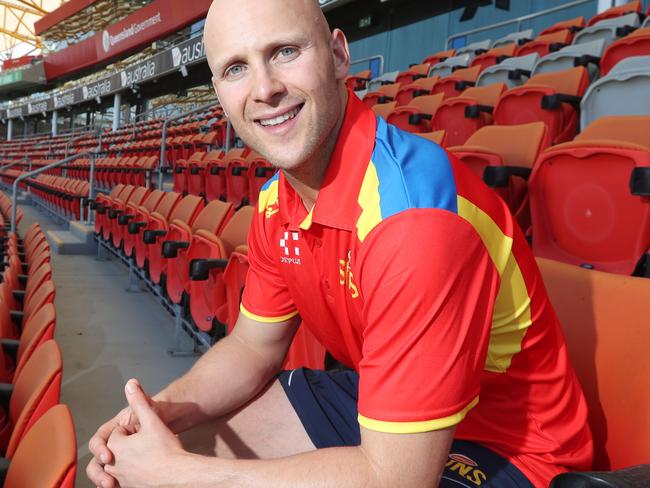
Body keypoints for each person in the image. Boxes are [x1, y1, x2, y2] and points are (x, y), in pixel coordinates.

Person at [87, 0, 594, 486]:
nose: (264, 88)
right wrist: (153, 416)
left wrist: (182, 476)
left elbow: (396, 479)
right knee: (164, 454)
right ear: (218, 90)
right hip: (379, 405)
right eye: (236, 68)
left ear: (338, 56)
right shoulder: (274, 202)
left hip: (509, 448)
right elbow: (249, 348)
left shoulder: (412, 221)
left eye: (285, 51)